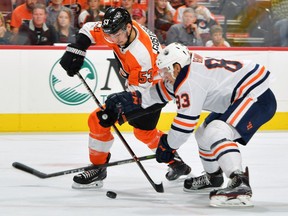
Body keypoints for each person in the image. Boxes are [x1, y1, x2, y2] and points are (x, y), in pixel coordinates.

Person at [101, 42, 277, 207]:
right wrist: (132, 99)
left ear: (176, 67)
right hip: (240, 96)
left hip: (257, 97)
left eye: (165, 71)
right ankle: (213, 177)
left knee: (216, 132)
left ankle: (240, 184)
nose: (163, 76)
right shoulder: (184, 70)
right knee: (203, 133)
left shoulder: (190, 81)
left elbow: (185, 124)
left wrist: (167, 146)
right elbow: (159, 93)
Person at [59, 7, 191, 189]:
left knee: (99, 120)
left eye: (116, 35)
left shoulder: (142, 55)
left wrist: (116, 108)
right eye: (109, 35)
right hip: (144, 86)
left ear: (128, 28)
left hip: (151, 93)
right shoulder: (117, 29)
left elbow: (140, 97)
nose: (112, 40)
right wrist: (77, 50)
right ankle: (175, 161)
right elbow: (89, 29)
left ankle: (98, 169)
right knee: (143, 132)